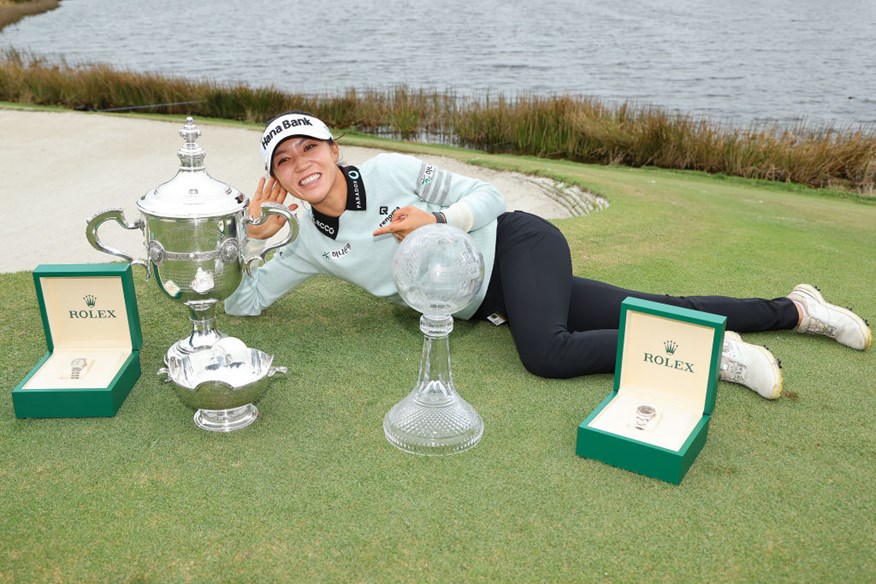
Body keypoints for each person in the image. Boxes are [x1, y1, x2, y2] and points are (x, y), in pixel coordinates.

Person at [225, 112, 872, 400]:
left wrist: (439, 220)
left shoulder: (393, 171)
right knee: (654, 307)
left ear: (332, 149)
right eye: (283, 162)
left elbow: (490, 194)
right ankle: (798, 310)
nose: (299, 164)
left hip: (519, 244)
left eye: (307, 148)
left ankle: (714, 354)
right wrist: (242, 241)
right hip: (494, 300)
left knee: (548, 353)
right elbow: (243, 300)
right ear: (277, 181)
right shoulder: (308, 240)